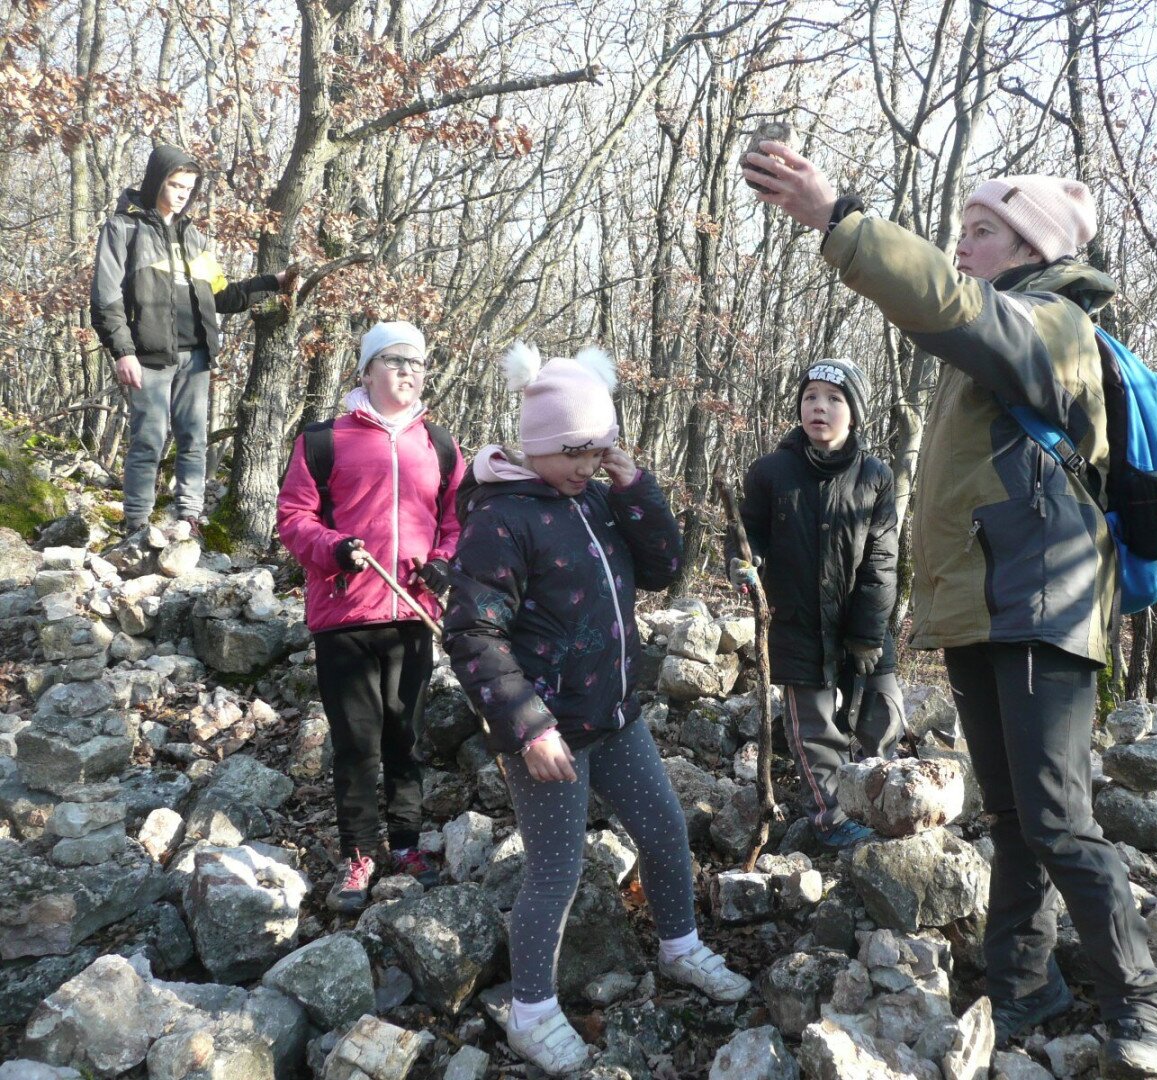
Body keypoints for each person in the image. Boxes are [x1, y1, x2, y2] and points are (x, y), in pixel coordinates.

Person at [744, 146, 1157, 1079]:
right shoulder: (1001, 339)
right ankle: (1026, 986)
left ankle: (1142, 1000)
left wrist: (840, 221)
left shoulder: (1052, 324)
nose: (962, 243)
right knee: (1017, 816)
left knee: (1058, 817)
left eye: (980, 231)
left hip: (1043, 607)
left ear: (1030, 246)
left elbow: (947, 303)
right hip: (993, 608)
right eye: (963, 230)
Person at [444, 343, 749, 1075]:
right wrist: (528, 727)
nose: (586, 463)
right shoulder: (503, 518)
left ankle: (679, 947)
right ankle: (531, 1011)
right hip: (547, 731)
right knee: (558, 866)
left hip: (615, 715)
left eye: (597, 448)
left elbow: (666, 566)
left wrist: (633, 481)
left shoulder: (600, 498)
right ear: (540, 444)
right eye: (574, 451)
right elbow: (473, 632)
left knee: (665, 828)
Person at [277, 321, 463, 912]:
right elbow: (294, 516)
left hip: (412, 612)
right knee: (356, 741)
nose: (408, 370)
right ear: (365, 371)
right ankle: (359, 853)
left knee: (405, 733)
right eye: (394, 360)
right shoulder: (323, 440)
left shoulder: (441, 444)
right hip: (345, 612)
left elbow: (457, 522)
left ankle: (406, 844)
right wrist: (332, 548)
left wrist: (443, 564)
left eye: (418, 362)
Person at [728, 357, 903, 851]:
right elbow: (746, 536)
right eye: (810, 398)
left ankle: (885, 811)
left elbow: (882, 559)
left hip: (864, 623)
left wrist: (868, 633)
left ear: (855, 412)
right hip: (797, 624)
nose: (819, 408)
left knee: (881, 719)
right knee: (816, 729)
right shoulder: (770, 472)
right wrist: (745, 565)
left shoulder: (876, 476)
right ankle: (832, 819)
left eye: (834, 399)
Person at [91, 144, 299, 533]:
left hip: (197, 355)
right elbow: (105, 300)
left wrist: (273, 282)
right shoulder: (123, 229)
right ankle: (135, 523)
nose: (183, 193)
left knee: (193, 437)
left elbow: (222, 296)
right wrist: (123, 352)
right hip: (147, 357)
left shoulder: (195, 238)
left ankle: (189, 516)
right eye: (175, 184)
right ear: (156, 182)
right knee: (148, 440)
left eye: (189, 187)